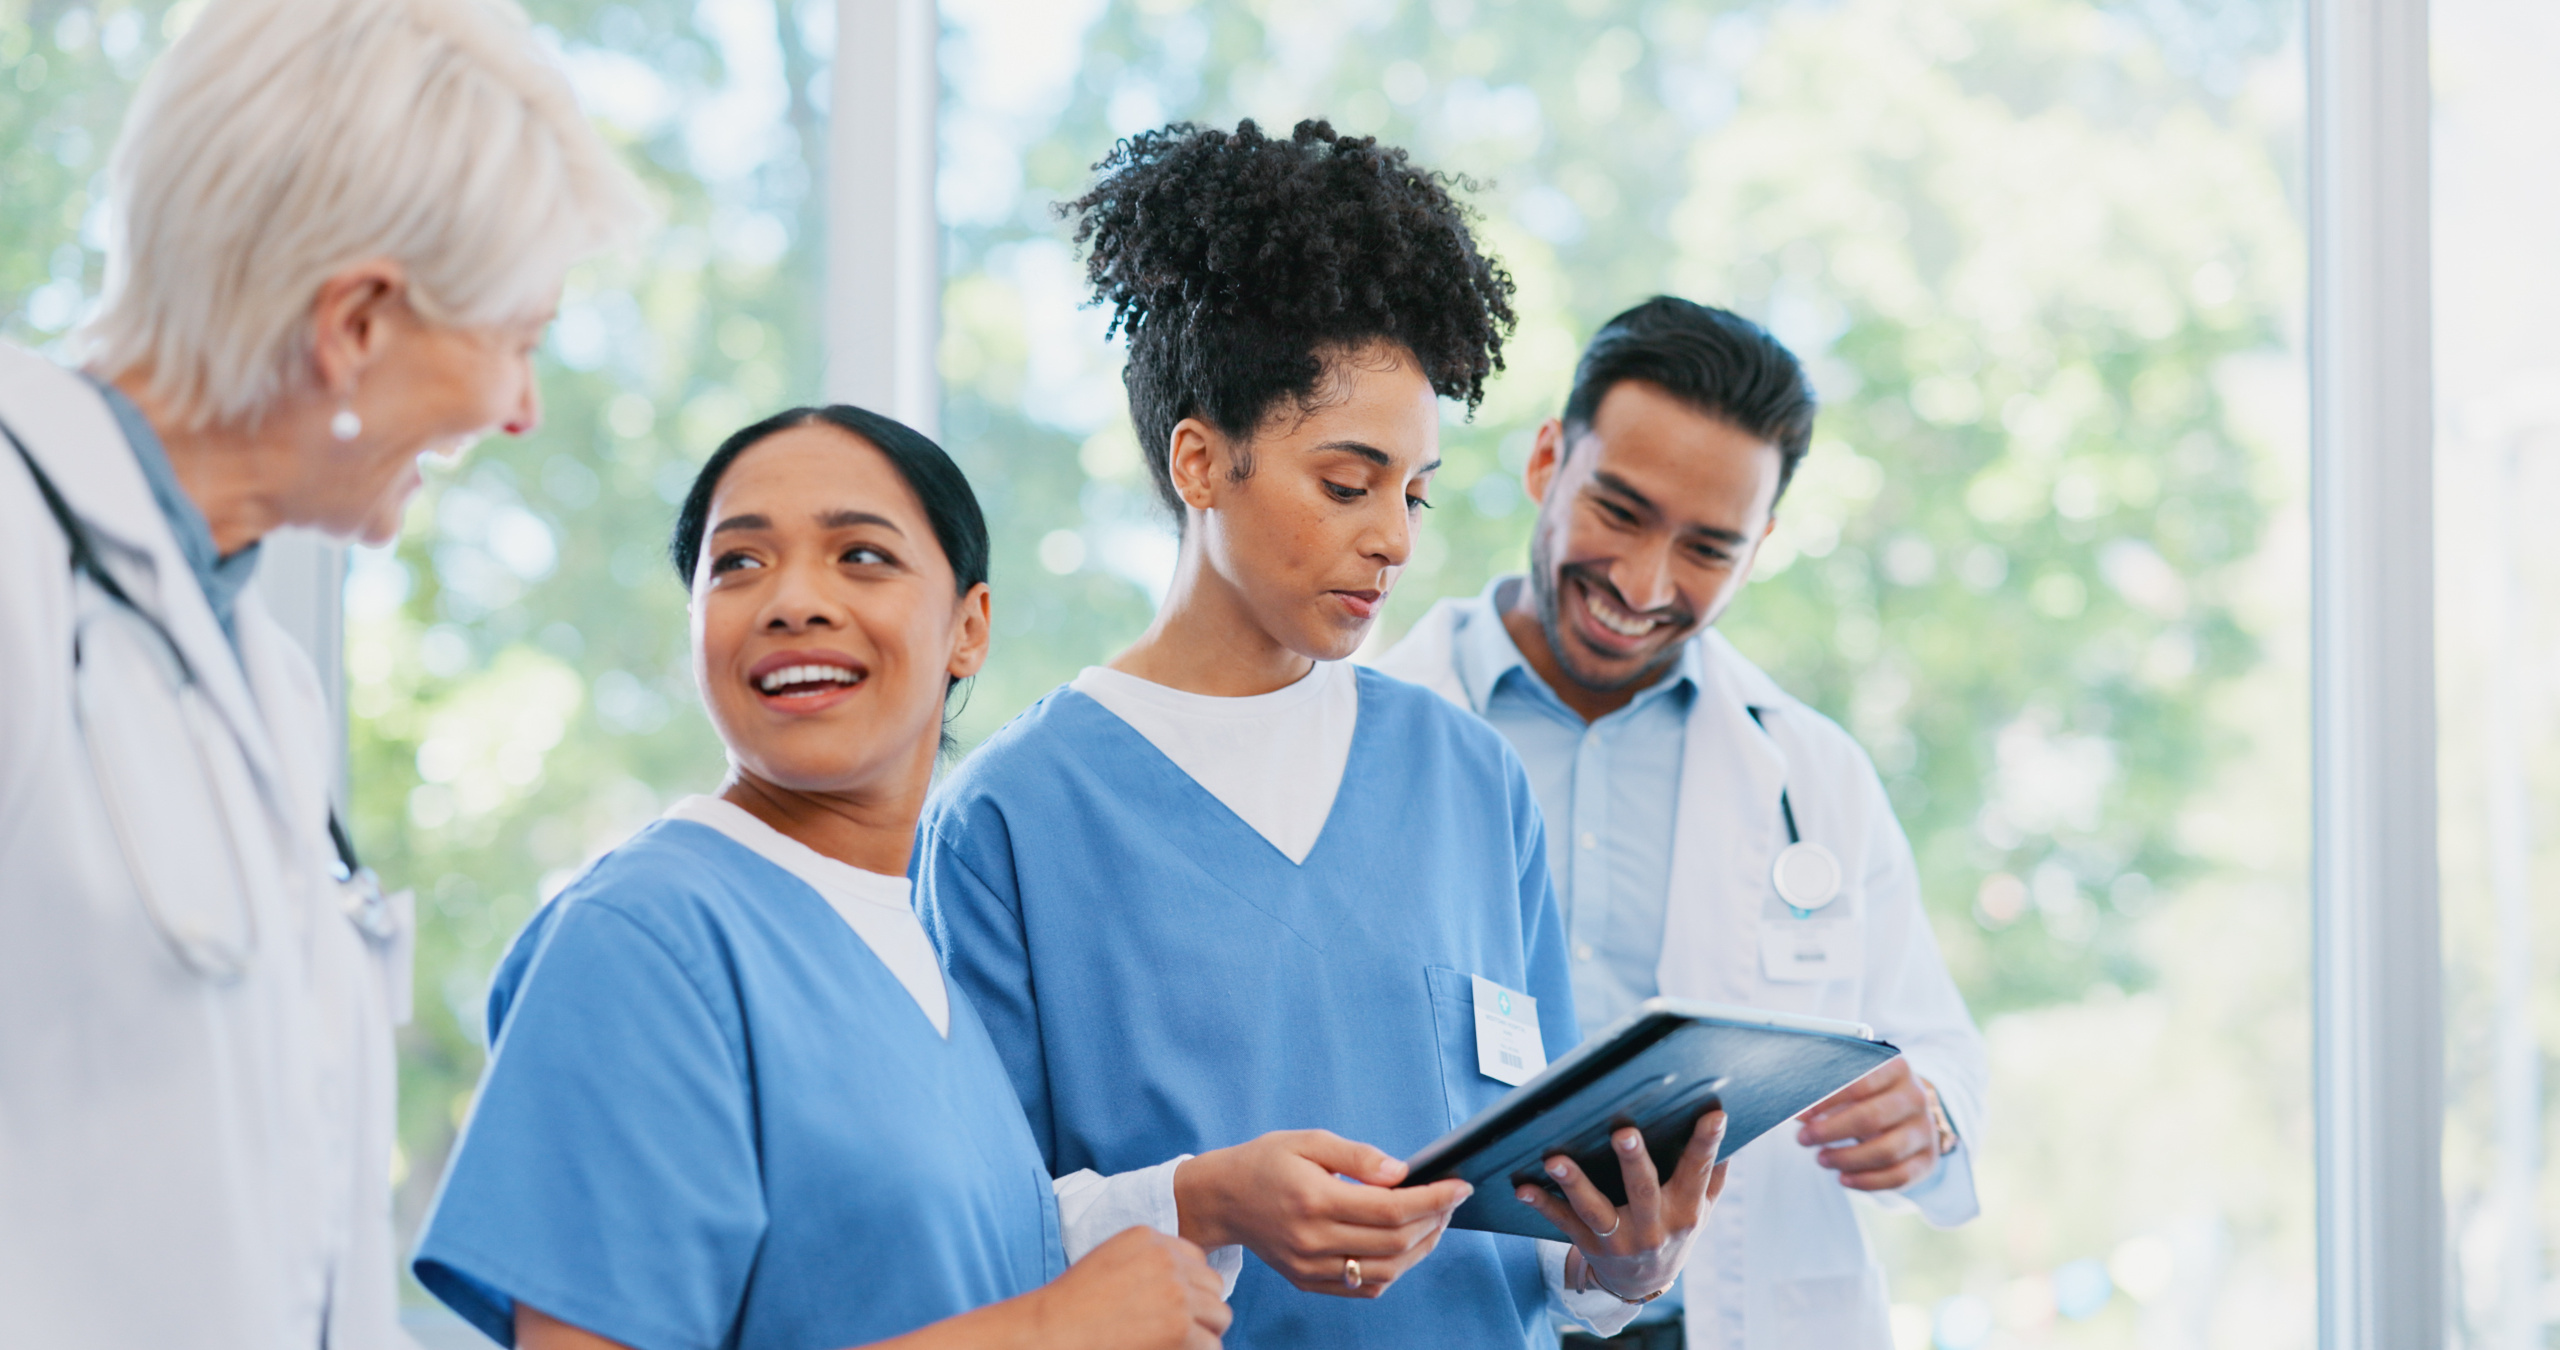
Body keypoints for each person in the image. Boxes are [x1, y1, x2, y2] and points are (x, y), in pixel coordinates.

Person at [919, 120, 1730, 1350]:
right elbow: (963, 1232)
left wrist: (1624, 1261)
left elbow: (1543, 1221)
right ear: (1201, 461)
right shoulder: (1013, 818)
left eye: (1415, 492)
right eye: (1347, 485)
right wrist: (1202, 1200)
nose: (1394, 538)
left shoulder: (1470, 780)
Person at [0, 0, 648, 1344]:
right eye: (517, 340)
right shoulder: (20, 554)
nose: (523, 411)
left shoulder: (267, 685)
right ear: (355, 322)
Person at [412, 406, 1231, 1350]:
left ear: (969, 627)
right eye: (738, 563)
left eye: (862, 556)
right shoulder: (642, 938)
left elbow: (938, 1274)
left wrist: (1203, 1202)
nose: (793, 601)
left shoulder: (904, 952)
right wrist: (1049, 1332)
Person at [1376, 296, 1990, 1349]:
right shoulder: (1370, 732)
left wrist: (1925, 1116)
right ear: (1545, 462)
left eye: (1708, 548)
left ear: (1759, 547)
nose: (1642, 583)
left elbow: (1935, 1047)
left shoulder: (1814, 777)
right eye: (1618, 512)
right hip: (1458, 1315)